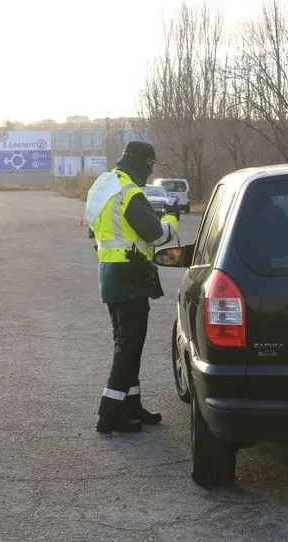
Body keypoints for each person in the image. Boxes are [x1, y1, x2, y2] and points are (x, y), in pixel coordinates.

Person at [85, 141, 180, 434]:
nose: (151, 174)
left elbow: (95, 229)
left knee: (127, 343)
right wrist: (171, 217)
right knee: (128, 347)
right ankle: (109, 413)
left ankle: (131, 406)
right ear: (144, 163)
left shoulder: (105, 185)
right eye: (151, 167)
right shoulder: (130, 193)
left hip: (111, 273)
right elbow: (155, 234)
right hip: (130, 276)